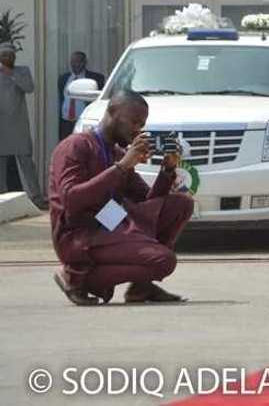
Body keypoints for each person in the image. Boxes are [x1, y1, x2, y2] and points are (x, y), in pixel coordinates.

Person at [48, 90, 192, 305]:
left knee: (181, 204)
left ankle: (141, 288)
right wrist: (123, 166)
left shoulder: (116, 153)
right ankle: (76, 277)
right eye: (134, 122)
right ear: (112, 112)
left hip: (109, 224)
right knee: (163, 260)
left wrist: (167, 170)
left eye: (141, 125)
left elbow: (148, 201)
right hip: (79, 234)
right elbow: (71, 200)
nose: (138, 130)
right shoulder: (76, 146)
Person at [0, 42, 45, 208]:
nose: (8, 58)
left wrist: (11, 74)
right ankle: (4, 202)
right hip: (1, 129)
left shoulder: (22, 71)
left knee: (27, 164)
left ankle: (37, 198)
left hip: (19, 127)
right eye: (5, 55)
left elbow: (29, 88)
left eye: (11, 55)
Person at [58, 51, 105, 141]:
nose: (75, 64)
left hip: (83, 121)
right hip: (66, 122)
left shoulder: (96, 78)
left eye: (78, 62)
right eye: (73, 62)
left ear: (84, 62)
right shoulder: (63, 78)